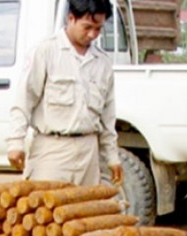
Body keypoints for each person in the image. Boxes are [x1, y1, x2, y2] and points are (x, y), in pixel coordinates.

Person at [7, 0, 123, 187]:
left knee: (86, 212)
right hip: (52, 150)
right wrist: (15, 143)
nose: (92, 34)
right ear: (71, 18)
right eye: (87, 27)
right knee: (47, 210)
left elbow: (107, 117)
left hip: (88, 152)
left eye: (98, 29)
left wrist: (112, 157)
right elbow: (24, 101)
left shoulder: (102, 62)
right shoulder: (46, 51)